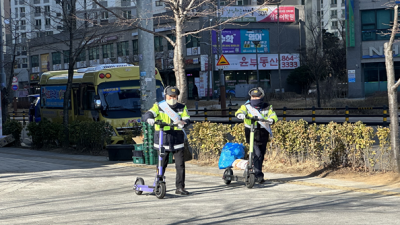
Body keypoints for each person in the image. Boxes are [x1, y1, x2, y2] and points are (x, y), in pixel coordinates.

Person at [143, 86, 191, 195]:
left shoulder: (182, 107)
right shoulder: (159, 106)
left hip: (177, 139)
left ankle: (180, 188)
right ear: (166, 96)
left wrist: (183, 123)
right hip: (162, 139)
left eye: (175, 96)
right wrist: (149, 118)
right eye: (170, 96)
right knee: (161, 164)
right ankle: (158, 184)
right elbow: (148, 114)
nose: (173, 98)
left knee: (180, 166)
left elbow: (187, 119)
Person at [235, 87, 278, 184]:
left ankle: (256, 171)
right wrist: (240, 115)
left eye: (257, 97)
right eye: (253, 97)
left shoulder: (267, 106)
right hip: (251, 133)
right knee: (257, 154)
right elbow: (239, 112)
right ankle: (258, 174)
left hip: (263, 133)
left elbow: (273, 115)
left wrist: (272, 120)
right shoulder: (246, 106)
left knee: (261, 154)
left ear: (261, 96)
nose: (254, 99)